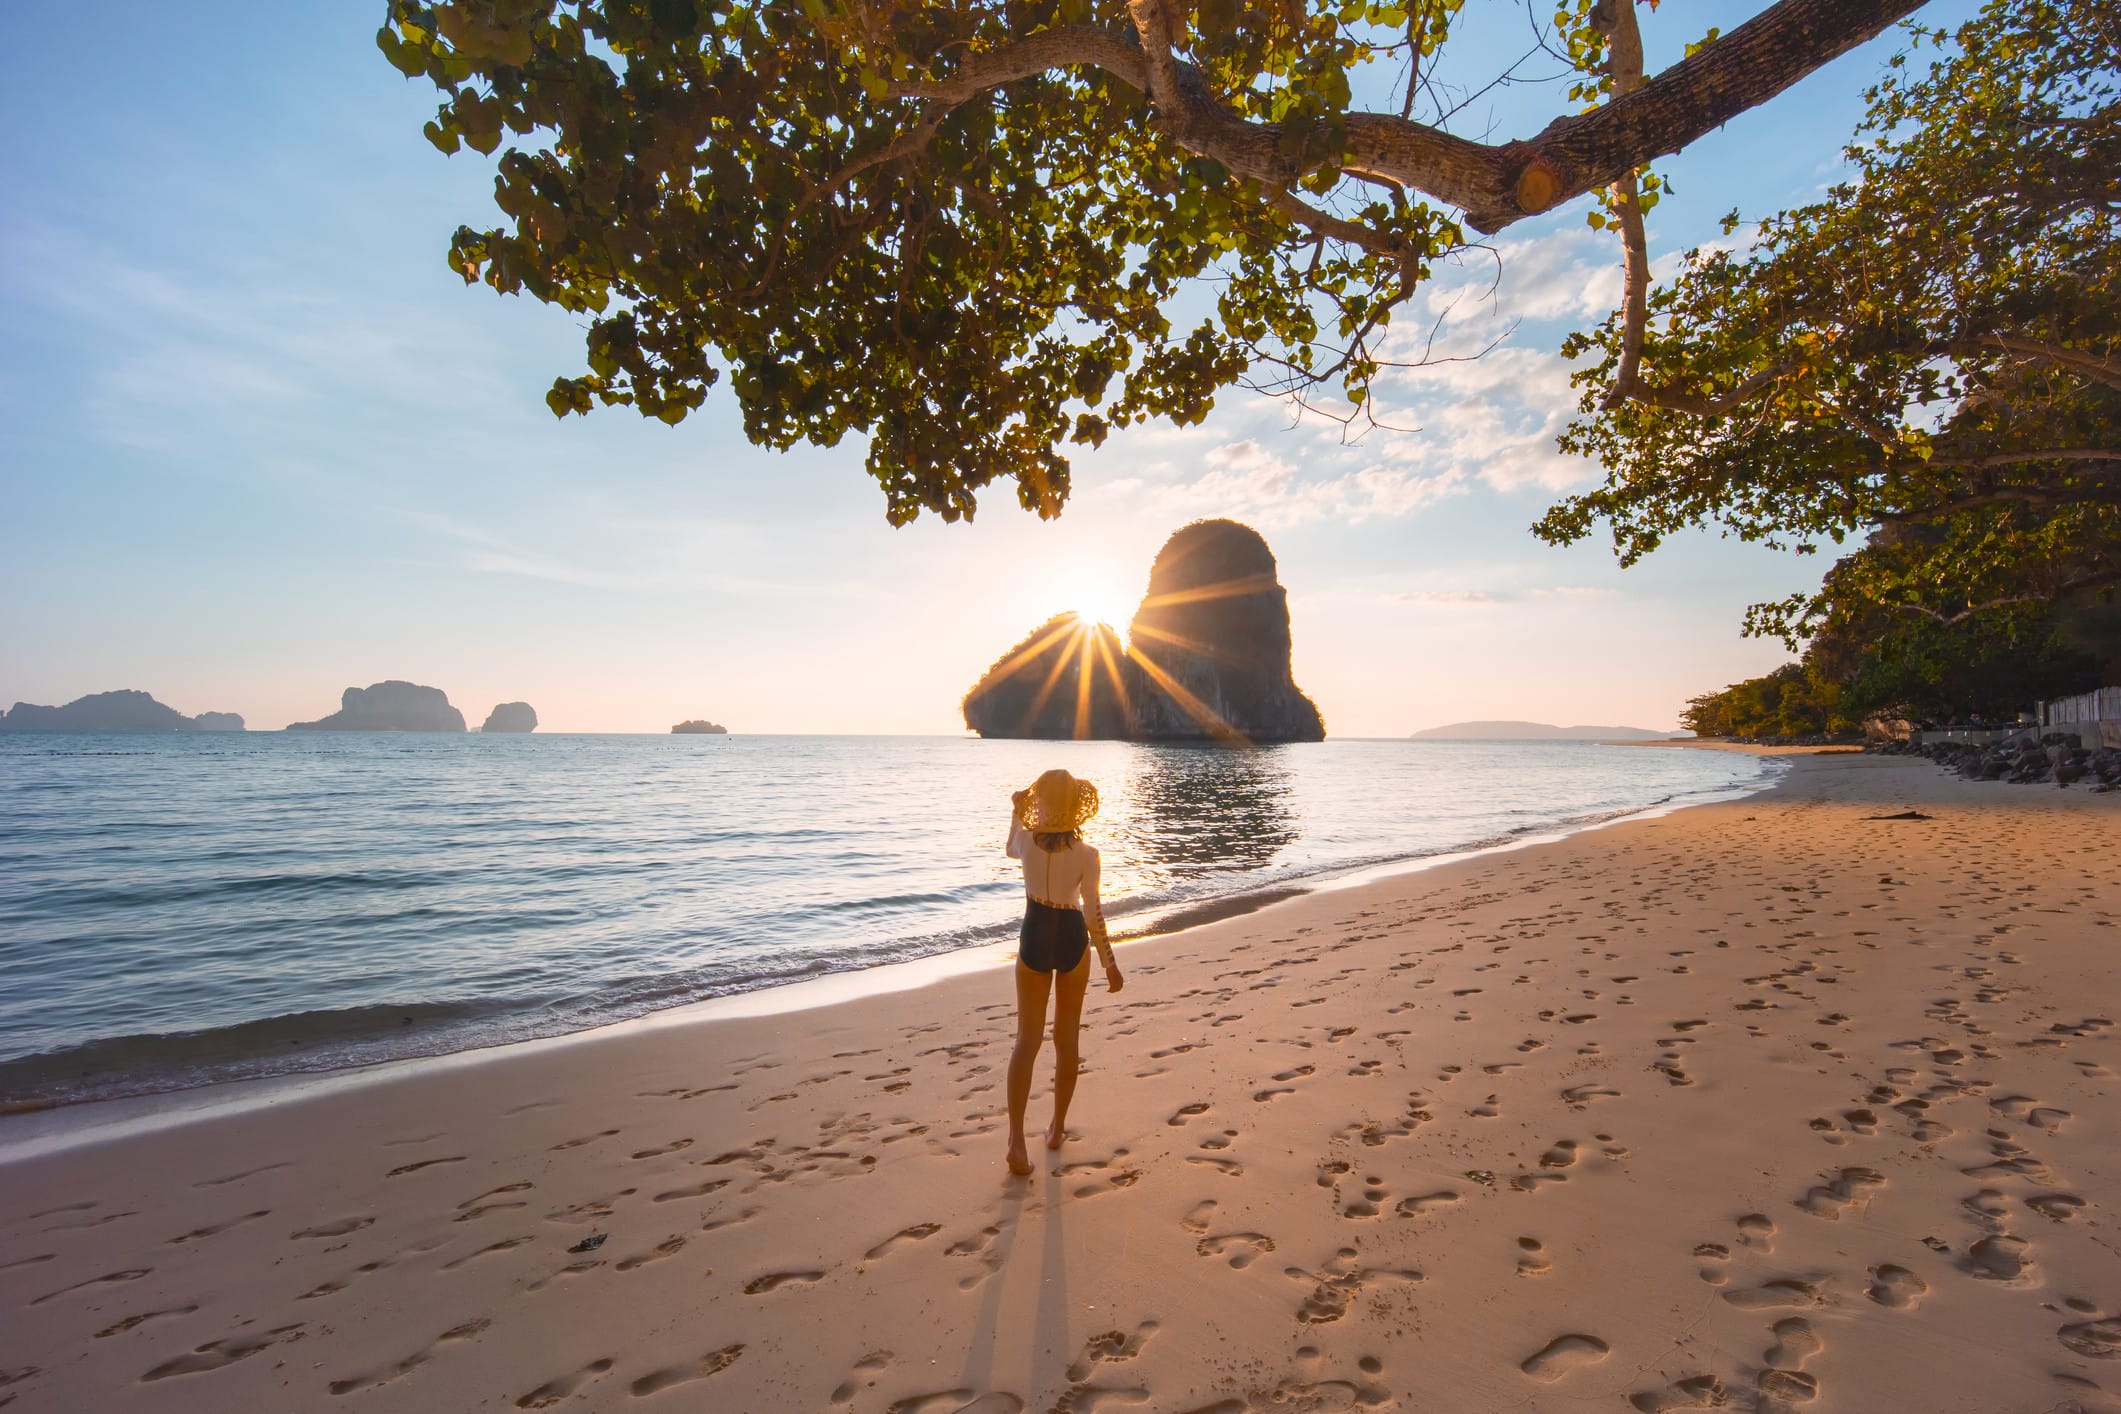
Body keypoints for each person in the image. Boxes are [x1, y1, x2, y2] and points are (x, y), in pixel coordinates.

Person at [1003, 767, 1123, 1177]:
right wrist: (1109, 963)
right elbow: (1092, 913)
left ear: (1041, 803)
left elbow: (1009, 848)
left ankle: (1016, 1142)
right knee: (1066, 1039)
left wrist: (1016, 812)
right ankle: (1055, 1129)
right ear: (1075, 807)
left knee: (1026, 1041)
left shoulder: (1026, 843)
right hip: (1072, 941)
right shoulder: (1088, 855)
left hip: (1034, 937)